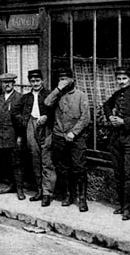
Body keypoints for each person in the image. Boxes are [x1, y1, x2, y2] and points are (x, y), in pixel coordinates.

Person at [103, 66, 130, 220]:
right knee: (119, 172)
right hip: (116, 138)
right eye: (119, 79)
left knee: (129, 173)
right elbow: (106, 105)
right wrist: (110, 117)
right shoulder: (116, 94)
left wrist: (125, 121)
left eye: (124, 78)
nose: (121, 82)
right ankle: (122, 205)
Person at [45, 67, 90, 212]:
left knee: (79, 167)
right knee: (63, 168)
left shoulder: (81, 95)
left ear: (72, 80)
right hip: (59, 136)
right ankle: (68, 195)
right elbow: (46, 103)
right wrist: (58, 88)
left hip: (77, 138)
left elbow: (85, 118)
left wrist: (74, 132)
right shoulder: (57, 94)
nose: (63, 82)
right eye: (60, 79)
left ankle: (82, 199)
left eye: (65, 79)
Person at [19, 69, 56, 207]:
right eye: (32, 81)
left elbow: (56, 111)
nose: (35, 83)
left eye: (37, 81)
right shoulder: (26, 97)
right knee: (35, 158)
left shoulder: (49, 94)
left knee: (46, 160)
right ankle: (39, 190)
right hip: (31, 125)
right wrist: (24, 121)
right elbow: (16, 111)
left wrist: (47, 117)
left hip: (46, 128)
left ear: (42, 81)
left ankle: (47, 193)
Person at [0, 73, 25, 200]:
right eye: (5, 83)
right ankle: (11, 185)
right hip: (1, 136)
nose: (7, 85)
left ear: (13, 83)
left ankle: (20, 189)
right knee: (6, 162)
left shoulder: (19, 98)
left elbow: (22, 121)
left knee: (17, 162)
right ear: (1, 84)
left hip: (14, 136)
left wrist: (20, 136)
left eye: (10, 82)